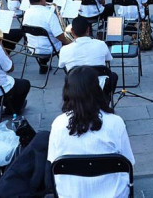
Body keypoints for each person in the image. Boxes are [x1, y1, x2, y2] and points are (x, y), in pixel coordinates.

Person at [48, 66, 134, 198]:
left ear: (67, 91)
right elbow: (128, 162)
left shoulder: (58, 124)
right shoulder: (115, 122)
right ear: (97, 90)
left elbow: (53, 161)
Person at [59, 17, 118, 94]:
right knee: (113, 76)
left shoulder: (64, 49)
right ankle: (104, 102)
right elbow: (108, 59)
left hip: (76, 88)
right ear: (88, 30)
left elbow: (61, 65)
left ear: (72, 31)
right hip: (99, 87)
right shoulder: (101, 44)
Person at [22, 0, 67, 74]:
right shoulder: (49, 14)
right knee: (65, 42)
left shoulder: (26, 12)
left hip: (32, 47)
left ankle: (43, 63)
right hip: (48, 48)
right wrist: (69, 42)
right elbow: (59, 36)